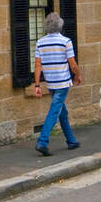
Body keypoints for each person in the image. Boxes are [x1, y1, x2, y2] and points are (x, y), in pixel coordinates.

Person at [32, 12, 81, 156]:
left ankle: (71, 140)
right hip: (62, 81)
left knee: (62, 111)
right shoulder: (66, 41)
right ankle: (42, 141)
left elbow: (37, 65)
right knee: (54, 112)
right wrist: (78, 75)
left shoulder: (40, 42)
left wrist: (37, 85)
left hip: (50, 82)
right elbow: (72, 64)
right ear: (60, 25)